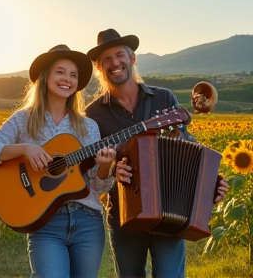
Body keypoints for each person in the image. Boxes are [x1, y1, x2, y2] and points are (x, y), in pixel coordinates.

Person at [85, 28, 229, 278]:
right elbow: (91, 169)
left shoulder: (164, 98)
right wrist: (111, 168)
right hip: (123, 219)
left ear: (132, 59)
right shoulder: (93, 114)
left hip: (169, 213)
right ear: (99, 67)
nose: (114, 63)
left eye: (119, 55)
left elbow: (186, 144)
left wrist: (209, 183)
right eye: (106, 59)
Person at [0, 44, 117, 278]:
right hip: (45, 223)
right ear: (46, 76)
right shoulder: (23, 120)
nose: (67, 79)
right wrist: (25, 149)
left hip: (88, 221)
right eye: (60, 71)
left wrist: (103, 167)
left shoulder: (88, 126)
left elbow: (98, 187)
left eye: (73, 75)